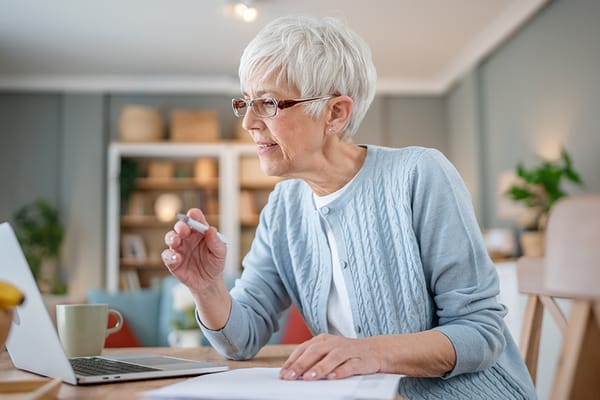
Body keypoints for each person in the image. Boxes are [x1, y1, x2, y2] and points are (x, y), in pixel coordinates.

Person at [162, 15, 536, 399]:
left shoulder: (419, 175)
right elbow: (241, 340)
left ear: (335, 113)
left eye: (269, 103)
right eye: (246, 102)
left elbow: (480, 332)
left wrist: (369, 352)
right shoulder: (283, 209)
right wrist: (207, 288)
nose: (249, 123)